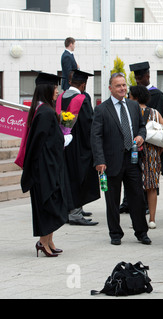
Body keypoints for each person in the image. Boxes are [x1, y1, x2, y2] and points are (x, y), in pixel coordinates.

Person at [90, 72, 150, 246]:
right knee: (112, 200)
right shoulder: (101, 109)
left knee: (137, 198)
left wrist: (141, 136)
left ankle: (141, 232)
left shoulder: (133, 106)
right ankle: (115, 233)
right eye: (118, 85)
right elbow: (96, 137)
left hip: (132, 160)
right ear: (110, 88)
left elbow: (142, 127)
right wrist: (99, 161)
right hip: (110, 162)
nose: (123, 88)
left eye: (124, 85)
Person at [20, 72, 68, 257]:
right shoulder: (46, 112)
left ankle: (48, 241)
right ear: (47, 89)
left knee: (50, 204)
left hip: (47, 167)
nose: (57, 91)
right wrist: (63, 141)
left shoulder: (42, 111)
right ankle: (43, 242)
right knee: (47, 205)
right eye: (55, 88)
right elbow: (38, 145)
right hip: (44, 170)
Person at [57, 70, 99, 226]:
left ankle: (73, 209)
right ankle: (75, 213)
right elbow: (90, 124)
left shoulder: (61, 97)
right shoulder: (82, 99)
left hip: (65, 144)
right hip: (81, 146)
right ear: (83, 84)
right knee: (79, 177)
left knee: (68, 177)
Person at [128, 85, 163, 229]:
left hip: (134, 152)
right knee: (152, 187)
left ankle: (137, 220)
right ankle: (152, 219)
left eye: (130, 96)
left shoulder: (131, 111)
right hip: (152, 154)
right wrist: (159, 152)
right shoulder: (155, 113)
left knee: (135, 187)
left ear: (135, 97)